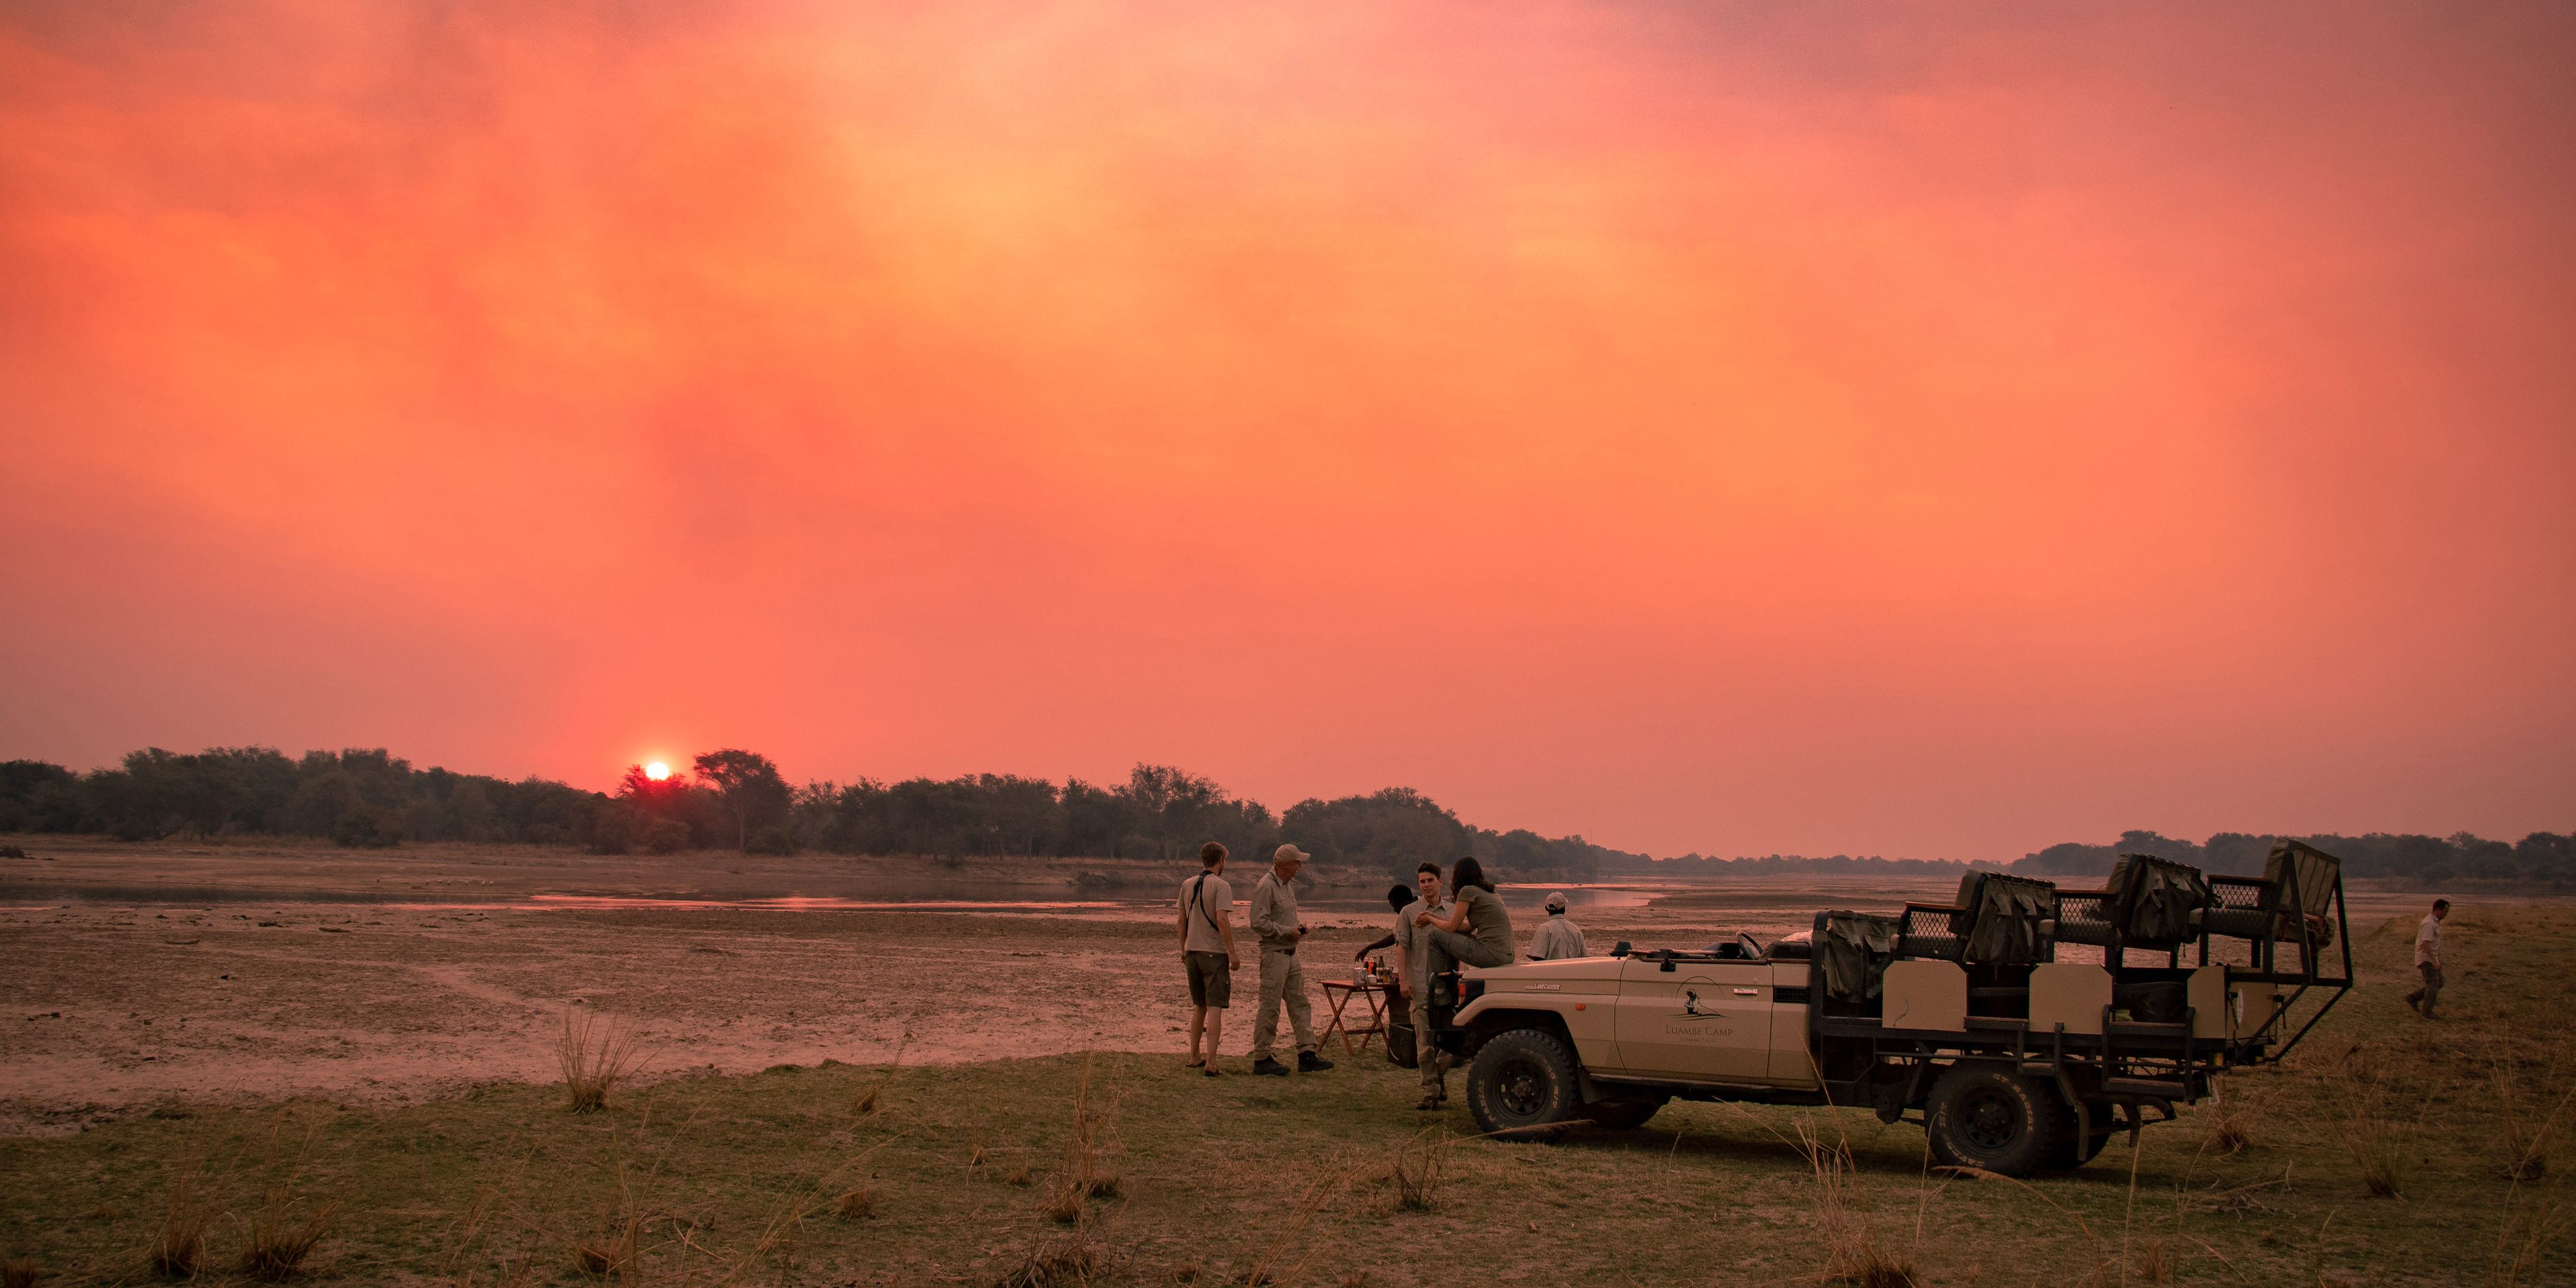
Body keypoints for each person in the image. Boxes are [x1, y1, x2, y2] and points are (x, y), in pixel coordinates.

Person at [1248, 844, 1333, 1075]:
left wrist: (1297, 929)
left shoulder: (1287, 886)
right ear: (1285, 865)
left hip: (1291, 955)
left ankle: (1307, 1054)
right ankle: (1262, 1058)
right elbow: (1257, 922)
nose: (1300, 867)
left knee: (1300, 1004)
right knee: (1270, 1007)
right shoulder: (1266, 887)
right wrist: (1286, 931)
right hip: (1274, 955)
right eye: (1297, 863)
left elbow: (1282, 919)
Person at [1415, 856, 1515, 1010]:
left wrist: (1429, 919)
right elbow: (1467, 928)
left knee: (1434, 935)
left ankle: (1438, 993)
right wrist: (1432, 916)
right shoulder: (1489, 892)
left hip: (1491, 953)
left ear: (1458, 874)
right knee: (1451, 937)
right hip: (1506, 954)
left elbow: (1451, 927)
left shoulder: (1467, 891)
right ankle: (1451, 984)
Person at [1175, 841, 1238, 1075]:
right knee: (1214, 1008)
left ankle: (1194, 1056)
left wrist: (1184, 948)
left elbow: (1181, 921)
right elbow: (1222, 919)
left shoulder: (1186, 884)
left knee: (1198, 1006)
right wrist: (1232, 952)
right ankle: (1211, 1062)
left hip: (1192, 952)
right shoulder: (1222, 886)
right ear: (1220, 860)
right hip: (1214, 953)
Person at [1393, 862, 1452, 1109]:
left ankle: (1437, 1077)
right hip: (1419, 986)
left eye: (1430, 880)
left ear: (1440, 881)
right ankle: (1430, 1092)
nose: (1426, 885)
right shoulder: (1409, 912)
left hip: (1448, 986)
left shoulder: (1453, 912)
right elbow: (1402, 947)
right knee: (1424, 1044)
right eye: (1422, 881)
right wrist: (1403, 980)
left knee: (1453, 1044)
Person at [1352, 883, 1416, 969]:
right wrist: (1369, 947)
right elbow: (1394, 937)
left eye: (1395, 906)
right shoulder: (1405, 915)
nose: (1395, 911)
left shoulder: (1420, 908)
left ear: (1403, 903)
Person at [2405, 898, 2450, 1018]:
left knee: (2439, 982)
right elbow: (2425, 943)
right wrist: (2434, 960)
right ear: (2438, 909)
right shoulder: (2429, 923)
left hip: (2431, 958)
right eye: (2445, 911)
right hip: (2426, 959)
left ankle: (2413, 998)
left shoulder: (2434, 923)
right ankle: (2427, 1011)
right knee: (2433, 985)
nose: (2446, 914)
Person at [1528, 891, 1588, 960]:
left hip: (1551, 970)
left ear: (1546, 908)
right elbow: (1585, 957)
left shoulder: (1545, 929)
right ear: (1564, 909)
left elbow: (1537, 958)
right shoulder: (1576, 930)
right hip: (1573, 970)